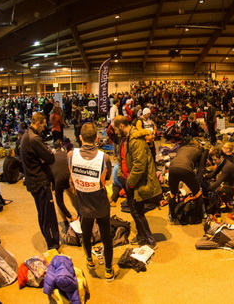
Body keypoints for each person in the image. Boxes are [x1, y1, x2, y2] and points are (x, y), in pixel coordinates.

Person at [67, 122, 119, 282]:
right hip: (100, 203)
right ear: (97, 138)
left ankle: (89, 260)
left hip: (82, 203)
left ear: (80, 138)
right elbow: (107, 179)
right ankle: (109, 271)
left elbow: (71, 176)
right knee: (106, 237)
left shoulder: (70, 155)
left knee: (86, 232)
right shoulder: (104, 158)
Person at [113, 115, 162, 249]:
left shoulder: (136, 140)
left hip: (134, 182)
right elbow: (122, 159)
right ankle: (141, 236)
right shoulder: (125, 138)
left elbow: (140, 165)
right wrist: (120, 175)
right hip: (128, 180)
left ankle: (150, 239)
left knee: (137, 212)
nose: (115, 132)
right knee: (135, 211)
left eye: (116, 129)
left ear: (121, 126)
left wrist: (130, 183)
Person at [20, 112, 60, 250]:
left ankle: (51, 240)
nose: (44, 128)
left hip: (34, 181)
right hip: (40, 182)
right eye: (43, 125)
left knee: (43, 213)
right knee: (47, 215)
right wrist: (46, 155)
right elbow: (50, 158)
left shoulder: (27, 135)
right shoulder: (34, 139)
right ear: (38, 123)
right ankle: (53, 244)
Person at [167, 145, 206, 221]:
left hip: (172, 168)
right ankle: (201, 216)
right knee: (197, 193)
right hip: (186, 169)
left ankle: (172, 216)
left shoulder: (182, 147)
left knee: (172, 194)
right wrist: (197, 184)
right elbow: (201, 169)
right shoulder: (199, 152)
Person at [204, 148, 234, 213]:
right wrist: (203, 177)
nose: (213, 162)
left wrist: (207, 188)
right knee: (213, 184)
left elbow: (218, 182)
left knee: (220, 189)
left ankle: (229, 207)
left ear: (221, 157)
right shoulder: (222, 163)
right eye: (212, 159)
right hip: (230, 184)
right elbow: (213, 175)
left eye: (215, 159)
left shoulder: (227, 166)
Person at [50, 141, 78, 224]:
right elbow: (59, 202)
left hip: (60, 176)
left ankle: (77, 214)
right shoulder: (66, 154)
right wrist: (70, 216)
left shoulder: (58, 156)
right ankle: (66, 220)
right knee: (63, 198)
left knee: (72, 194)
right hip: (57, 179)